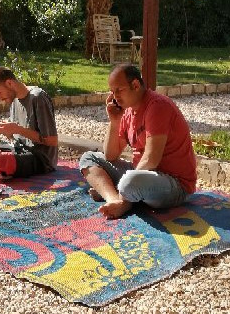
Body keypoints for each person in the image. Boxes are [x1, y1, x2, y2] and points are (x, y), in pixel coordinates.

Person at [79, 63, 197, 219]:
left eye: (119, 90)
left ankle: (124, 199)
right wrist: (114, 121)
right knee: (88, 158)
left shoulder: (157, 106)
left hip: (174, 184)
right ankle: (114, 200)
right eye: (112, 92)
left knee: (129, 181)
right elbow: (110, 155)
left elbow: (151, 160)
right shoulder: (128, 111)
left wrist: (125, 186)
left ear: (135, 85)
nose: (115, 97)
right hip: (142, 176)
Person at [0, 66, 58, 177]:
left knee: (2, 161)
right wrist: (4, 130)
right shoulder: (14, 100)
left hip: (40, 158)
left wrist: (17, 129)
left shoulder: (38, 97)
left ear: (9, 83)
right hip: (19, 150)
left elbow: (52, 141)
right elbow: (14, 137)